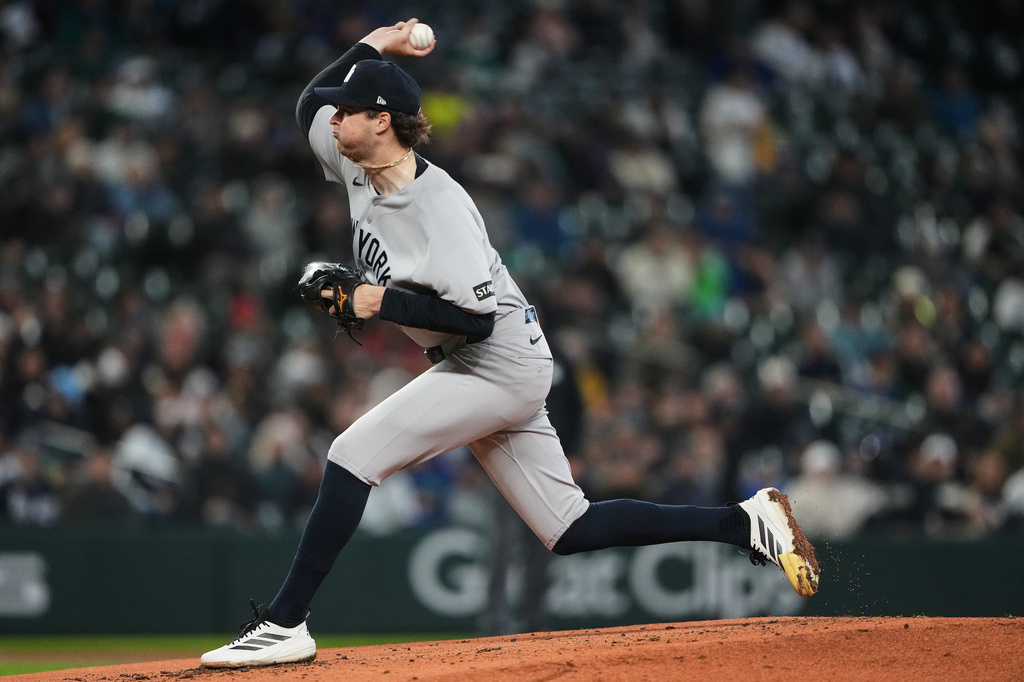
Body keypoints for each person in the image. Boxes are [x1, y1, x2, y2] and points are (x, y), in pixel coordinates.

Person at [200, 18, 820, 668]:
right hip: (486, 362)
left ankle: (285, 622)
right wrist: (376, 43)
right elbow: (309, 102)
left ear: (382, 121)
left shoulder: (437, 206)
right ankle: (748, 522)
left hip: (496, 363)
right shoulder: (357, 166)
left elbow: (476, 320)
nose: (334, 119)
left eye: (350, 110)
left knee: (353, 453)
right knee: (569, 527)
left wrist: (371, 300)